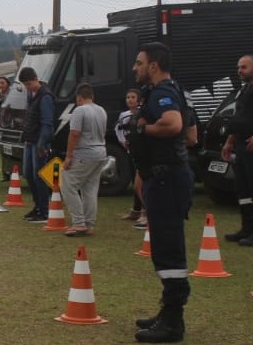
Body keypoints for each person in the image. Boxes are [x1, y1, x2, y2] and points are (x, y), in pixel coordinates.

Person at [127, 42, 192, 343]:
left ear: (153, 65)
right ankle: (167, 311)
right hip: (162, 177)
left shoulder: (163, 92)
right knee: (165, 247)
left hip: (167, 181)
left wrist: (143, 130)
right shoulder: (169, 91)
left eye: (139, 63)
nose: (135, 68)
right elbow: (191, 135)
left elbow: (175, 125)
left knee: (168, 248)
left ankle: (173, 323)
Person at [60, 83, 106, 237]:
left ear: (78, 98)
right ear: (92, 96)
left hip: (84, 153)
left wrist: (68, 156)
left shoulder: (80, 111)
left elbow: (74, 133)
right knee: (90, 189)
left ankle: (79, 222)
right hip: (100, 152)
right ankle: (89, 223)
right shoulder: (101, 110)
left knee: (67, 184)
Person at [221, 54, 253, 245]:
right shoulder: (243, 90)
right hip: (240, 144)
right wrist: (229, 141)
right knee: (243, 190)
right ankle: (247, 228)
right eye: (238, 67)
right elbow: (238, 118)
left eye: (244, 67)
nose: (240, 71)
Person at [18, 67, 55, 224]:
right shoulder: (31, 94)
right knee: (28, 173)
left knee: (38, 175)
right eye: (25, 85)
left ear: (36, 79)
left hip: (39, 142)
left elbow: (47, 122)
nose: (27, 87)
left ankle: (44, 210)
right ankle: (37, 206)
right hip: (29, 140)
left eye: (29, 84)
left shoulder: (45, 96)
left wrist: (42, 142)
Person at [116, 88, 148, 228]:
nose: (130, 100)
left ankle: (144, 210)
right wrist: (123, 142)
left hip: (140, 150)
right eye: (128, 97)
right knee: (132, 179)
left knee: (141, 181)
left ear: (139, 100)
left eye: (133, 97)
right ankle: (135, 210)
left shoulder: (143, 113)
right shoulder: (124, 115)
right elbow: (119, 129)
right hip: (130, 150)